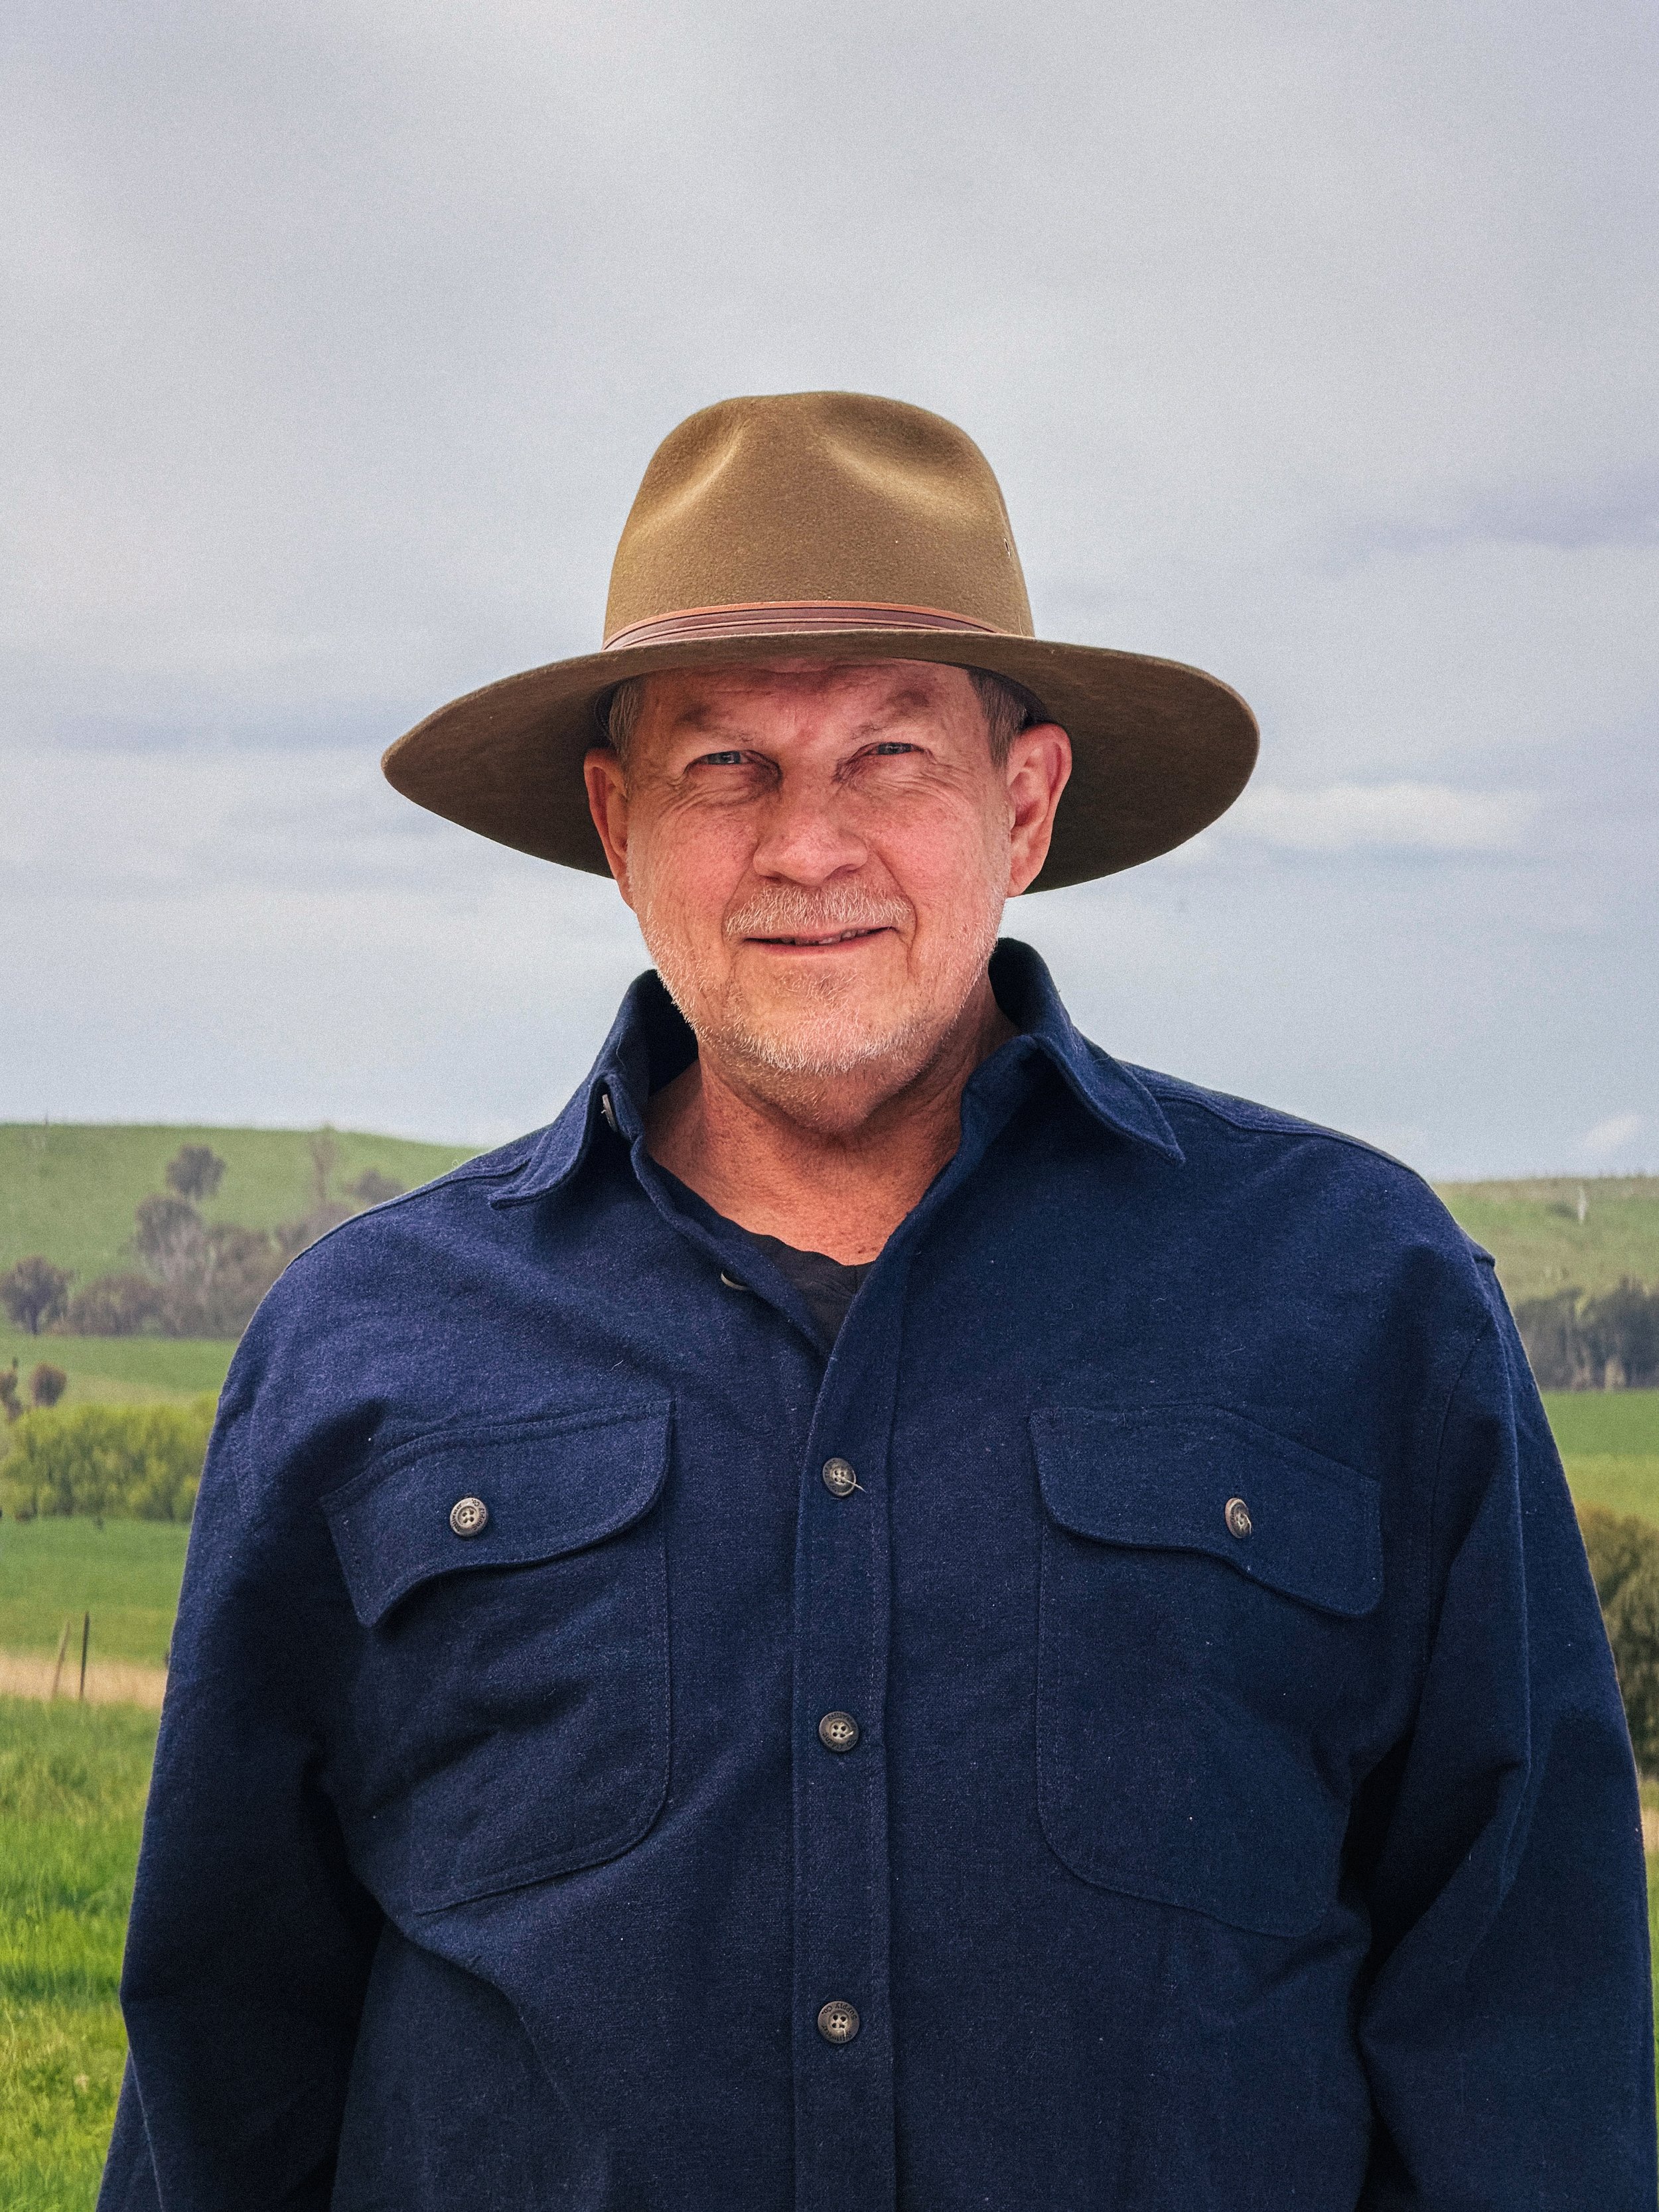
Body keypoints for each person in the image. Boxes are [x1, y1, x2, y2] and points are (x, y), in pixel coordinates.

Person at [102, 392, 1653, 2211]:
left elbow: (1520, 2035)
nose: (806, 846)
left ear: (1024, 801)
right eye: (722, 766)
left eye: (889, 758)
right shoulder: (363, 1344)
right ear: (616, 825)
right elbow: (226, 2053)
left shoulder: (1358, 1296)